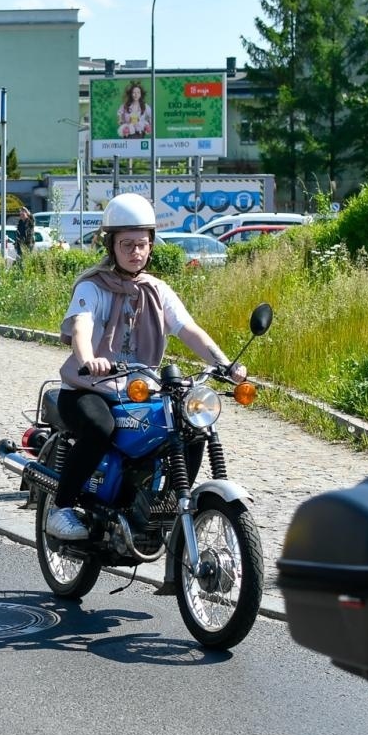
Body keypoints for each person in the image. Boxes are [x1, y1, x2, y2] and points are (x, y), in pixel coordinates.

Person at [45, 192, 246, 545]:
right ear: (111, 245)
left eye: (142, 244)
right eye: (127, 244)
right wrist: (89, 358)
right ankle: (61, 507)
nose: (135, 252)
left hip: (139, 389)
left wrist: (225, 364)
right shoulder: (92, 286)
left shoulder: (157, 290)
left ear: (151, 245)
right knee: (100, 426)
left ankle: (164, 507)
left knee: (189, 427)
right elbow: (81, 326)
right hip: (88, 387)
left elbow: (189, 330)